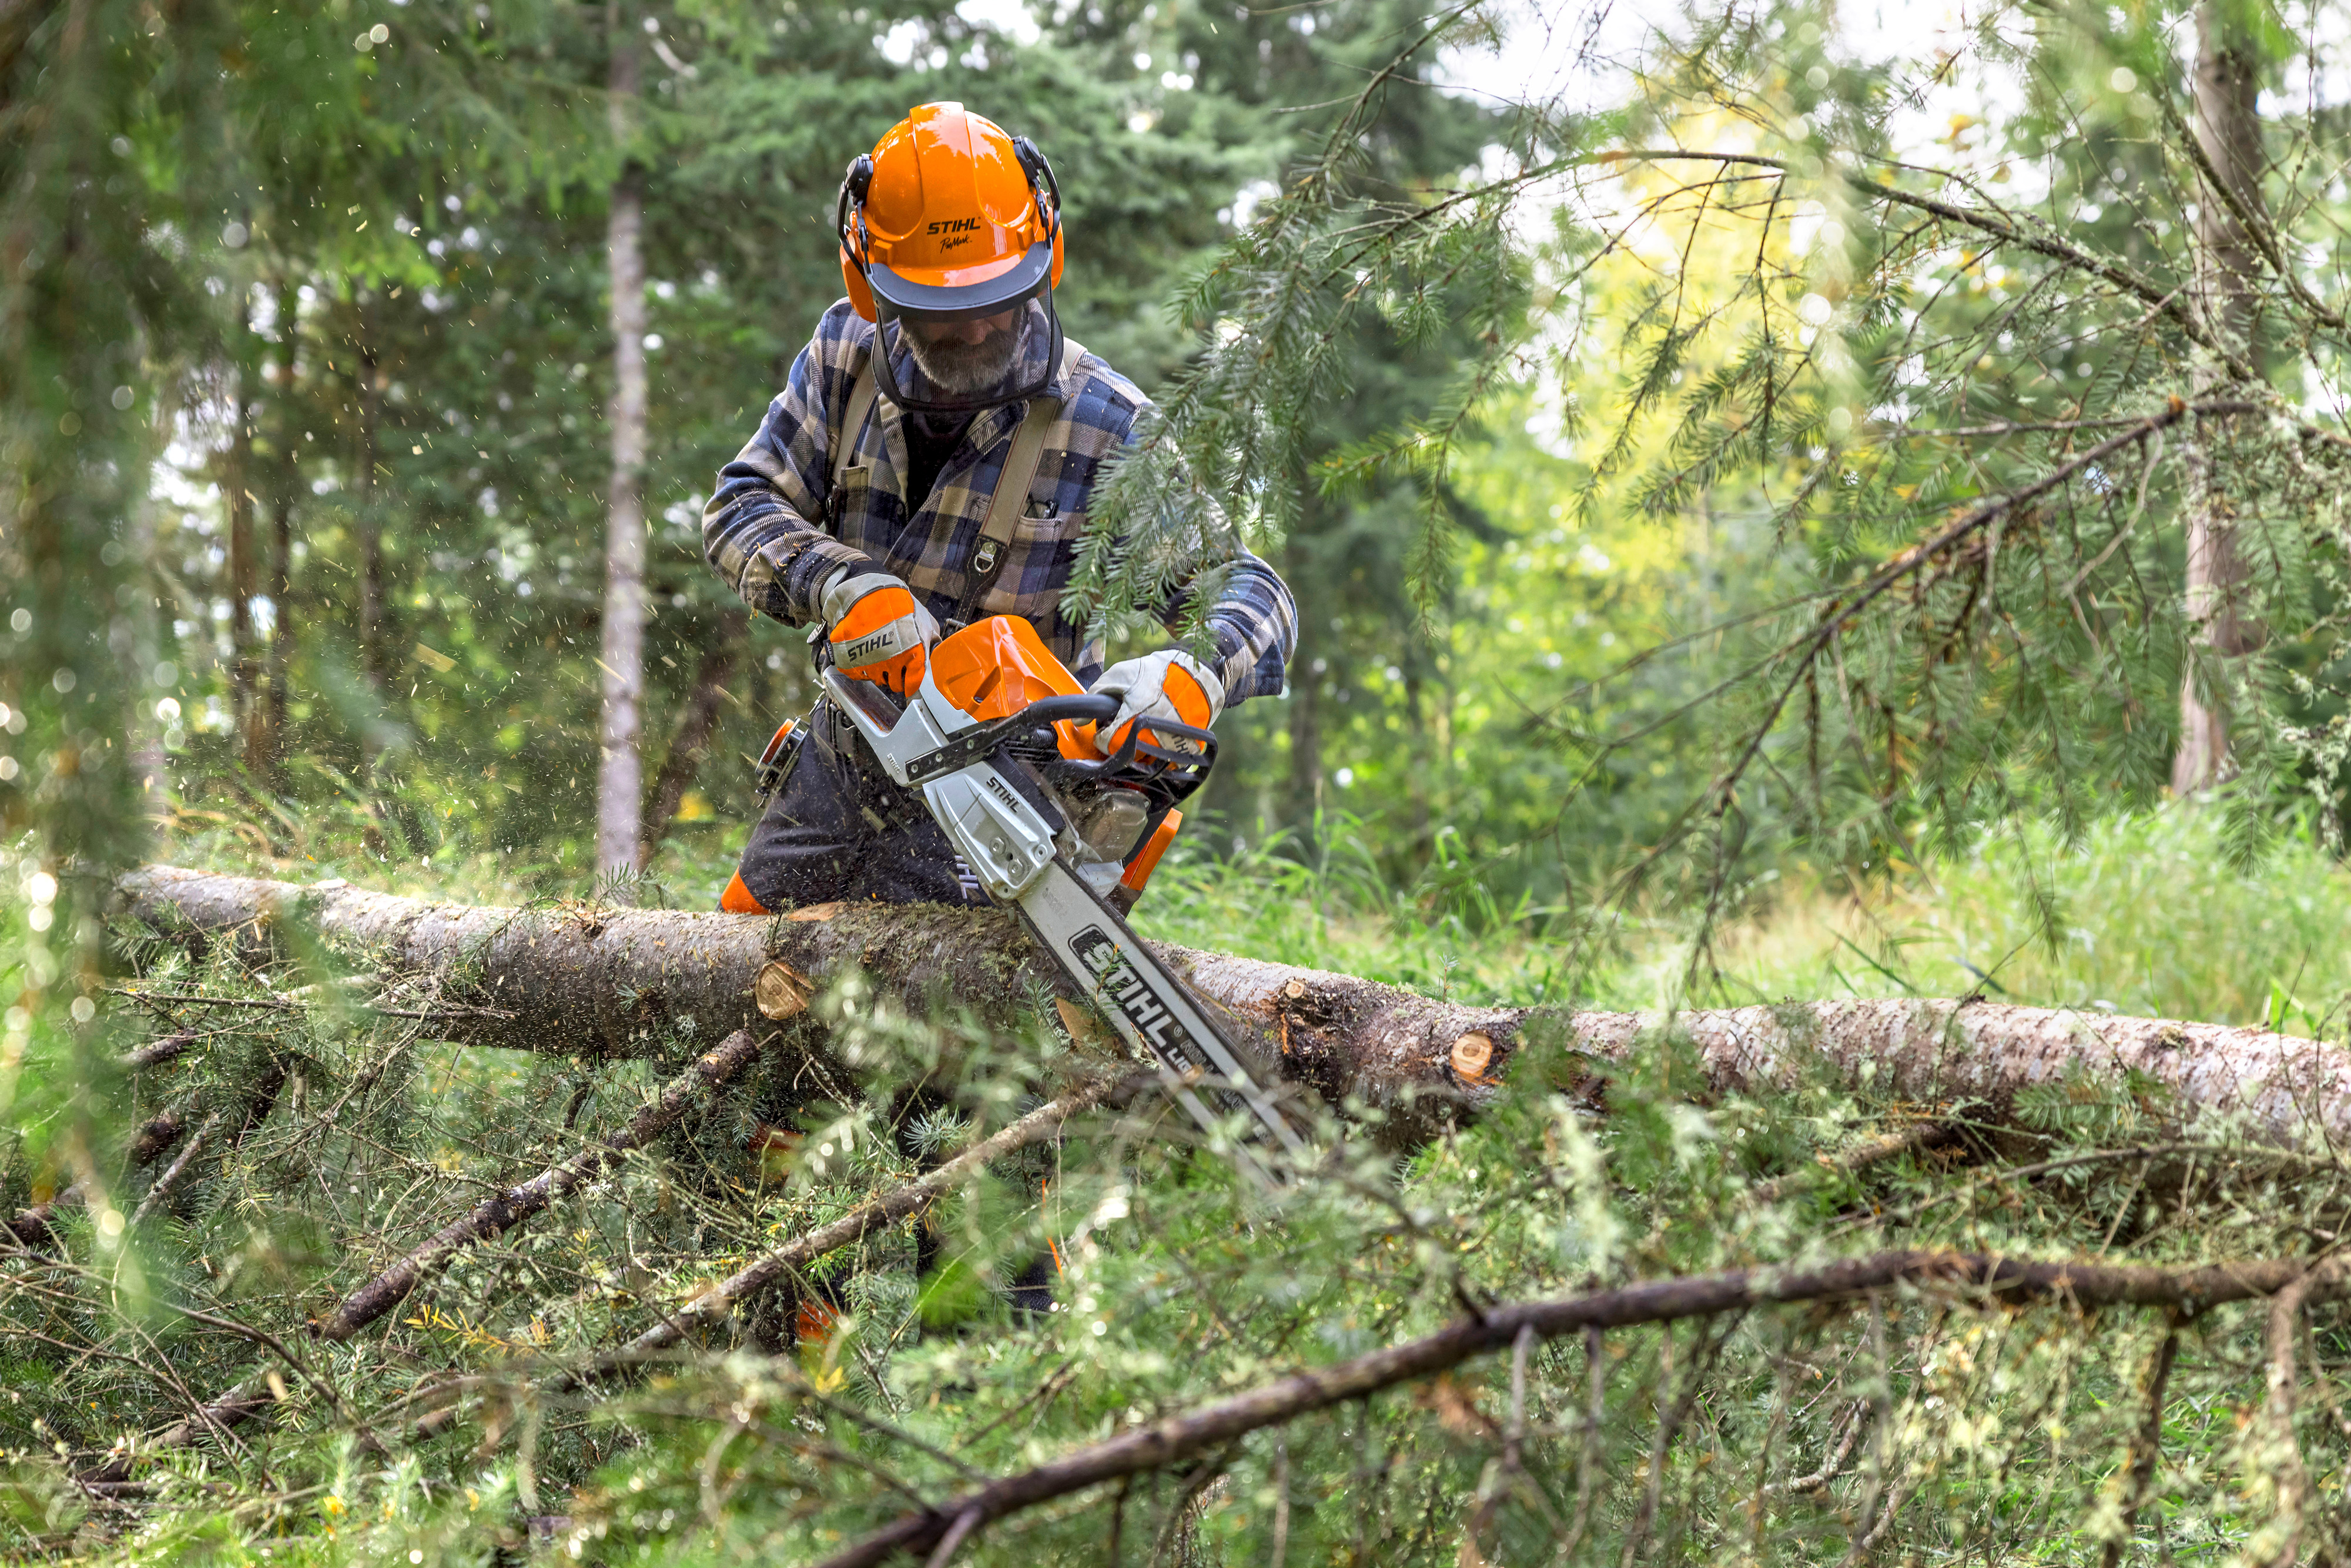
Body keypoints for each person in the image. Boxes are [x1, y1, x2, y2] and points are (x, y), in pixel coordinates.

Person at [703, 101, 1294, 916]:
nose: (977, 326)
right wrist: (840, 586)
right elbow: (740, 506)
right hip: (845, 765)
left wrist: (1193, 674)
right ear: (871, 285)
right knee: (746, 976)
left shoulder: (1105, 422)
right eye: (941, 312)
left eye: (996, 297)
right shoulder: (845, 357)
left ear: (1043, 262)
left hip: (1008, 804)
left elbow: (1252, 590)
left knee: (949, 1026)